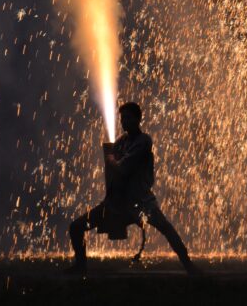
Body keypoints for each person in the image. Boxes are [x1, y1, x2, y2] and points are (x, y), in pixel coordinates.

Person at [67, 102, 201, 276]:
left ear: (138, 119)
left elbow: (123, 167)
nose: (124, 122)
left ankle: (189, 266)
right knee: (76, 227)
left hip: (141, 203)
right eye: (123, 118)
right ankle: (80, 267)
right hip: (118, 203)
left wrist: (113, 161)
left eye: (128, 118)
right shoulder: (122, 141)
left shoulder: (144, 141)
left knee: (167, 229)